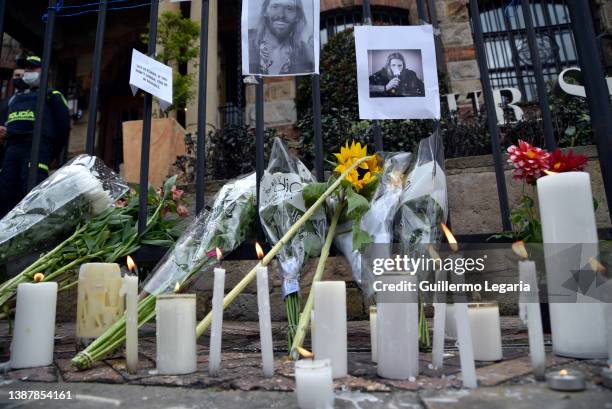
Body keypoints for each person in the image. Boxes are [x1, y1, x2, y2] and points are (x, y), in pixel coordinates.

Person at [0, 55, 70, 218]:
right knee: (5, 192)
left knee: (32, 192)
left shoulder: (53, 94)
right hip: (11, 150)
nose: (28, 72)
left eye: (32, 68)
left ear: (44, 71)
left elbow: (63, 126)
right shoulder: (14, 99)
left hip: (36, 148)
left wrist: (54, 153)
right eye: (26, 69)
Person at [248, 0, 314, 75]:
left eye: (289, 9)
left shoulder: (307, 53)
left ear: (297, 17)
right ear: (265, 12)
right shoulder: (247, 46)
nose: (281, 15)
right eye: (275, 7)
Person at [0, 67, 26, 170]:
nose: (19, 78)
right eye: (17, 75)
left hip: (21, 145)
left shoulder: (34, 99)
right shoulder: (5, 102)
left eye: (22, 76)